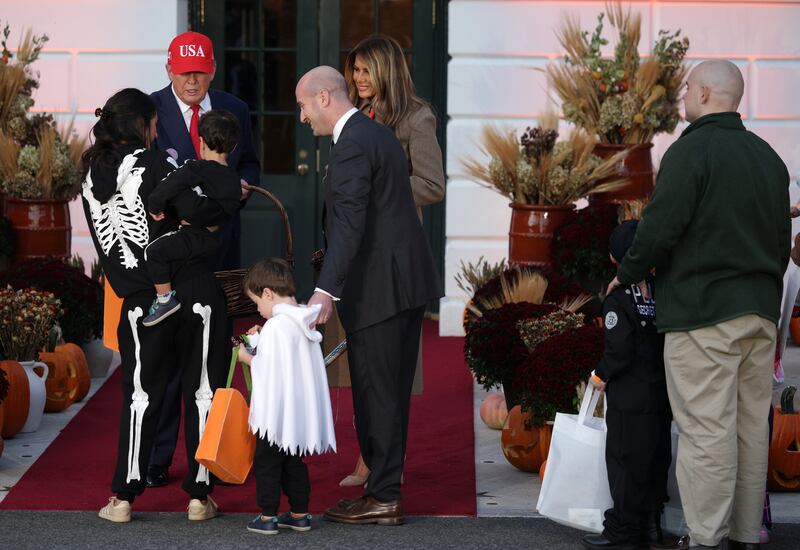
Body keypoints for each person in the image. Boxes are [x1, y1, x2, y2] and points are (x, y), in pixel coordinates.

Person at [606, 60, 791, 549]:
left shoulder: (691, 152)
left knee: (706, 432)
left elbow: (658, 230)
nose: (684, 95)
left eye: (689, 87)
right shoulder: (768, 157)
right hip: (758, 314)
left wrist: (623, 276)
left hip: (703, 312)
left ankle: (706, 539)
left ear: (707, 94)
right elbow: (780, 243)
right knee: (750, 432)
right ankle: (746, 535)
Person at [295, 66, 442, 525]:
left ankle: (383, 496)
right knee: (388, 394)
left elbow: (350, 222)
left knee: (377, 395)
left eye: (302, 105)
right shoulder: (374, 133)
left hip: (381, 286)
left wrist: (324, 291)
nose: (301, 118)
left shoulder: (354, 142)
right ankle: (383, 491)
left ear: (324, 97)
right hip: (400, 282)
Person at [81, 88, 229, 523]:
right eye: (154, 124)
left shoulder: (88, 175)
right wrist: (220, 202)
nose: (158, 130)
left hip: (138, 300)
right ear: (142, 125)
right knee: (201, 388)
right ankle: (200, 497)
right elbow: (195, 212)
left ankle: (123, 498)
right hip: (192, 287)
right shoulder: (156, 163)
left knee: (140, 396)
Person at [147, 30, 260, 489]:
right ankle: (156, 459)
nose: (191, 80)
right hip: (171, 253)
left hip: (218, 251)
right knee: (166, 362)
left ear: (212, 69)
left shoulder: (235, 108)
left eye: (199, 71)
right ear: (169, 69)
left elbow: (250, 163)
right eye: (182, 71)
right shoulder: (150, 109)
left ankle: (210, 455)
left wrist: (245, 186)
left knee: (212, 362)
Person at [337, 34, 446, 487]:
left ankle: (380, 467)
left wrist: (381, 193)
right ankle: (370, 454)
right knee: (361, 369)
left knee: (389, 374)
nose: (359, 79)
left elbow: (433, 184)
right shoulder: (355, 116)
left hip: (396, 261)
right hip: (358, 257)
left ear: (387, 70)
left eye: (367, 70)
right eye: (355, 71)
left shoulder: (416, 117)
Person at [582, 220, 672, 550]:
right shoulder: (662, 289)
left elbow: (619, 350)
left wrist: (599, 375)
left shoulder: (618, 298)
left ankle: (623, 531)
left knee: (626, 461)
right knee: (655, 459)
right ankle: (651, 527)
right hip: (662, 393)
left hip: (630, 397)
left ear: (612, 258)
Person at [236, 258, 336, 535]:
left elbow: (267, 367)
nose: (258, 309)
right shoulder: (304, 319)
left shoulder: (277, 325)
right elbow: (287, 361)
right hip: (296, 413)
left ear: (268, 293)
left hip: (275, 415)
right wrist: (260, 339)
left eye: (257, 302)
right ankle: (300, 513)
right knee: (294, 461)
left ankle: (268, 517)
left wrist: (246, 356)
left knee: (267, 462)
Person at [143, 109, 242, 326]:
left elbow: (168, 186)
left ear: (201, 142)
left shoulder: (195, 168)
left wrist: (155, 205)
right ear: (233, 146)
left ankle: (165, 300)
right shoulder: (235, 181)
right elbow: (226, 210)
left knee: (154, 252)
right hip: (214, 242)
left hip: (192, 235)